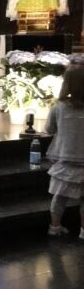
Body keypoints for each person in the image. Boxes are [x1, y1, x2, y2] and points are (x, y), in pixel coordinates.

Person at [45, 64, 84, 237]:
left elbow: (49, 129)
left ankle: (55, 226)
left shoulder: (59, 107)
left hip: (65, 157)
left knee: (60, 196)